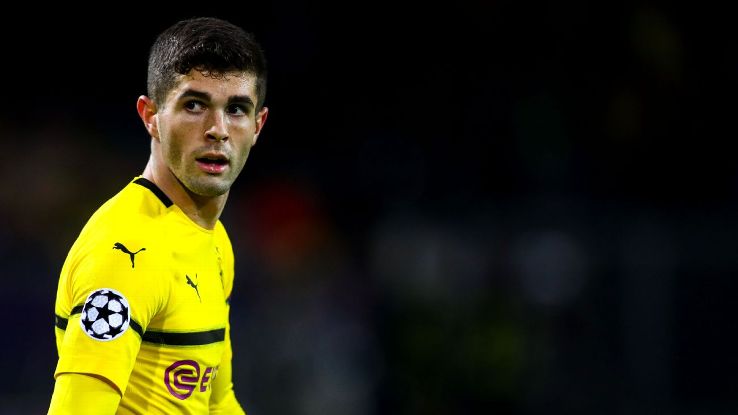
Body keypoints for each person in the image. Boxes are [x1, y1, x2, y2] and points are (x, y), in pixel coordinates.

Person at [47, 16, 268, 414]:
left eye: (236, 109)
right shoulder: (126, 255)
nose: (217, 129)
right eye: (195, 105)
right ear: (150, 116)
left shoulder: (214, 240)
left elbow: (217, 403)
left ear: (258, 125)